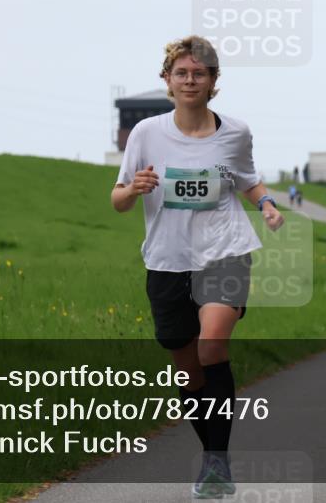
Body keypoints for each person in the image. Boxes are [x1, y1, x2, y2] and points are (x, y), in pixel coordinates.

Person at [111, 35, 284, 498]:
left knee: (211, 345)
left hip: (224, 251)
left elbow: (247, 179)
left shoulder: (235, 132)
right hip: (167, 259)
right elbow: (118, 200)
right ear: (167, 80)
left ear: (213, 82)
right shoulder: (147, 133)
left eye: (200, 73)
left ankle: (215, 464)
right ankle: (215, 457)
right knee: (187, 367)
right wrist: (135, 189)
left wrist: (265, 203)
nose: (191, 80)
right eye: (182, 73)